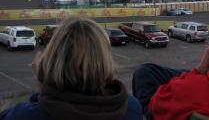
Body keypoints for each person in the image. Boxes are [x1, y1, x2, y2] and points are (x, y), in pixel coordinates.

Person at [0, 18, 142, 120]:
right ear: (106, 60)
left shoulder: (22, 115)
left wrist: (43, 82)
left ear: (52, 59)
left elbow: (41, 108)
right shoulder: (131, 108)